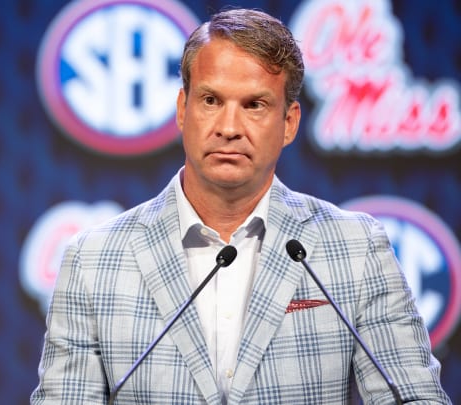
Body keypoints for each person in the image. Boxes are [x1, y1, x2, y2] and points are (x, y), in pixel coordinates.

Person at [31, 8, 450, 404]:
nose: (229, 128)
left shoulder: (356, 248)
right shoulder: (94, 260)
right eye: (211, 100)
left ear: (289, 123)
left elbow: (414, 396)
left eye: (254, 105)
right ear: (182, 109)